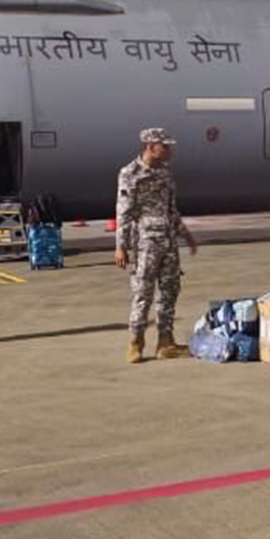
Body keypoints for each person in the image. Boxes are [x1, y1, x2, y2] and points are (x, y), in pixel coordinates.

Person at [116, 126, 198, 363]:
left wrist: (186, 236)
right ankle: (135, 343)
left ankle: (165, 342)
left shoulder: (166, 173)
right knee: (143, 293)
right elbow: (124, 212)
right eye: (165, 145)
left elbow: (172, 210)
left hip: (169, 243)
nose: (170, 149)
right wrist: (120, 246)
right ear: (151, 146)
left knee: (170, 290)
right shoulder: (130, 173)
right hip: (145, 244)